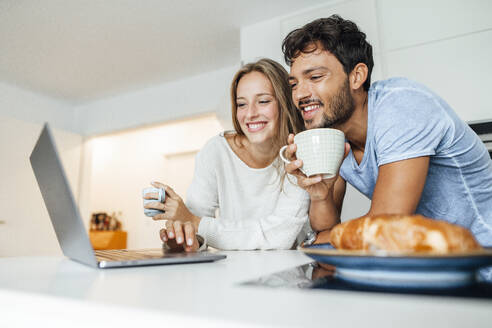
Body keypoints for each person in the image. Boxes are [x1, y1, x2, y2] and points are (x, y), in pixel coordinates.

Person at [281, 15, 492, 247]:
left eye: (315, 77)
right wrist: (320, 195)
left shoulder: (401, 104)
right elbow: (326, 231)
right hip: (433, 265)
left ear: (357, 77)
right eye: (294, 84)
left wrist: (323, 239)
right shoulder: (334, 135)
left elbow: (386, 223)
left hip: (483, 261)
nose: (299, 95)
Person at [143, 58, 311, 252]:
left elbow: (277, 237)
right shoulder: (216, 152)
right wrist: (184, 238)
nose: (250, 114)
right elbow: (196, 226)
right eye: (241, 104)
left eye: (263, 101)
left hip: (287, 275)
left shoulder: (299, 155)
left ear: (284, 103)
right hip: (230, 273)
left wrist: (194, 222)